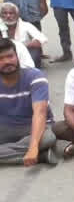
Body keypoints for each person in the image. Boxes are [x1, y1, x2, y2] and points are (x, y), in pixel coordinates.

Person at [0, 38, 57, 166]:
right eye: (1, 59)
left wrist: (33, 146)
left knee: (48, 138)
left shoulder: (35, 77)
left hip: (34, 127)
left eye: (10, 56)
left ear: (17, 57)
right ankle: (41, 156)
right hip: (6, 128)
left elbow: (40, 113)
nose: (7, 62)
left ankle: (20, 152)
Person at [1, 2, 46, 69]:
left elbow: (42, 39)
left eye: (11, 13)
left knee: (35, 50)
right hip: (4, 54)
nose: (8, 16)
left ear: (17, 15)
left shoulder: (26, 25)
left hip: (24, 52)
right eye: (5, 13)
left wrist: (23, 46)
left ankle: (31, 71)